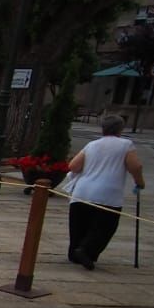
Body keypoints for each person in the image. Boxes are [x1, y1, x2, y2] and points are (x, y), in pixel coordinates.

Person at [64, 115, 147, 271]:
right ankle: (86, 250)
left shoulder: (92, 145)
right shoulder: (126, 145)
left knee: (79, 224)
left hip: (82, 191)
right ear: (120, 129)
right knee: (104, 227)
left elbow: (74, 166)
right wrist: (139, 182)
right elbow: (135, 167)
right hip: (108, 193)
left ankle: (75, 252)